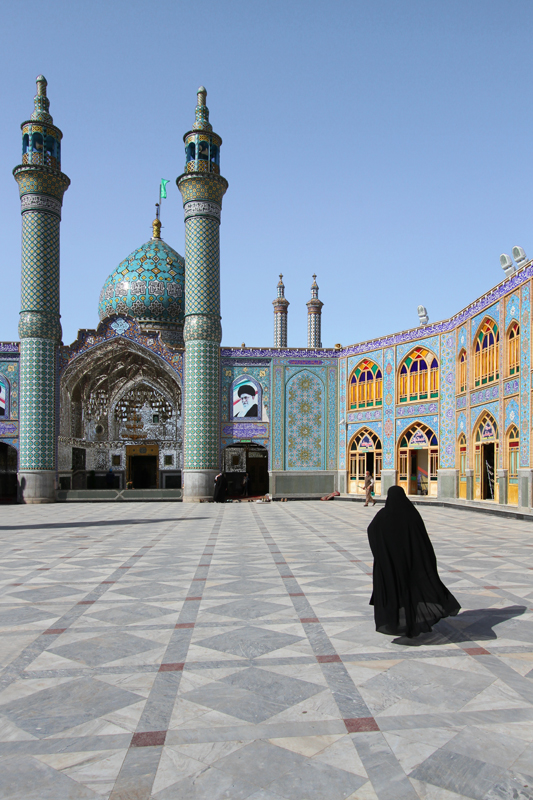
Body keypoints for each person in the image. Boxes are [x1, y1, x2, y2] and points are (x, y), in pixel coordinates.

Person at [367, 486, 460, 638]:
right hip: (411, 563)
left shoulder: (383, 516)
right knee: (411, 592)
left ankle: (399, 624)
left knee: (398, 593)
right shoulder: (411, 514)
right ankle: (412, 624)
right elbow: (423, 540)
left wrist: (382, 555)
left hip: (392, 566)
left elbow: (371, 531)